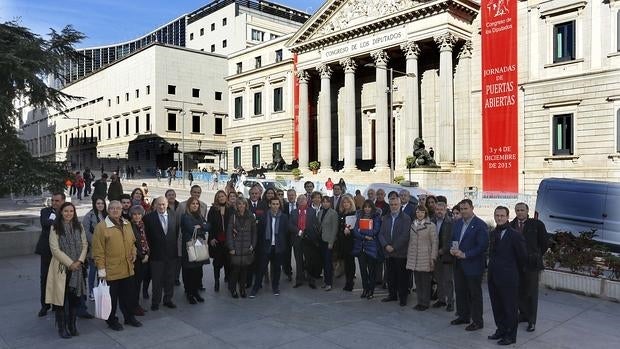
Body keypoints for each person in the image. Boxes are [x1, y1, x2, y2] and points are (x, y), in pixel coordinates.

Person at [92, 200, 142, 331]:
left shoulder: (127, 224)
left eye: (118, 208)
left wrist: (134, 253)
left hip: (127, 268)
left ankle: (129, 317)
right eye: (112, 208)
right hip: (111, 270)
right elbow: (98, 250)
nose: (115, 210)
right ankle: (111, 320)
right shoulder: (101, 227)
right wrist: (101, 270)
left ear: (121, 210)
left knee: (128, 296)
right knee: (112, 299)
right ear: (108, 210)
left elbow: (132, 243)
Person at [46, 202, 88, 338]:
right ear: (61, 212)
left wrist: (80, 261)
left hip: (77, 268)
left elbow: (85, 244)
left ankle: (72, 325)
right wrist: (71, 263)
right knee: (61, 300)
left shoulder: (79, 225)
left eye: (71, 211)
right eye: (66, 211)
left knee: (75, 299)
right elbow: (54, 249)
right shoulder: (55, 227)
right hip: (62, 268)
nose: (69, 214)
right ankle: (62, 327)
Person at [487, 206, 527, 346]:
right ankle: (501, 330)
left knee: (509, 308)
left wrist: (515, 275)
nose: (499, 218)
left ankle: (511, 335)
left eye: (502, 215)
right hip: (493, 277)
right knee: (497, 306)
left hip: (509, 279)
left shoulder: (515, 235)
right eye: (497, 215)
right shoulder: (492, 233)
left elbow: (522, 257)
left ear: (507, 217)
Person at [450, 199, 489, 331]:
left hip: (473, 265)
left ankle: (477, 321)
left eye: (466, 208)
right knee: (460, 291)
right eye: (461, 209)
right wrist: (452, 249)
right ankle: (463, 316)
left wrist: (465, 254)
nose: (463, 211)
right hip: (458, 264)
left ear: (472, 208)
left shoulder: (480, 225)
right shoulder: (457, 223)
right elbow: (454, 240)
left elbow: (482, 246)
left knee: (474, 294)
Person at [510, 202, 548, 332]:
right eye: (517, 210)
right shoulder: (511, 226)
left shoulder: (537, 224)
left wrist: (536, 255)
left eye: (522, 210)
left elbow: (544, 243)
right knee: (518, 292)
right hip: (516, 265)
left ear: (527, 211)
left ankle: (531, 321)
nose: (520, 212)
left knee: (531, 293)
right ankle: (524, 314)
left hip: (532, 264)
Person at [143, 197, 179, 311]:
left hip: (171, 254)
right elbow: (146, 236)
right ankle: (155, 301)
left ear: (167, 204)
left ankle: (168, 299)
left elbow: (176, 232)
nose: (161, 207)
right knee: (157, 280)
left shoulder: (174, 215)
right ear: (155, 205)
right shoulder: (148, 218)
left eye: (163, 204)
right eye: (159, 204)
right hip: (156, 255)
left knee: (170, 279)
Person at [250, 196, 289, 297]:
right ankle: (256, 287)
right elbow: (259, 232)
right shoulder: (263, 217)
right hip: (265, 246)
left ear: (279, 205)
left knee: (277, 268)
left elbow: (285, 232)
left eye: (277, 204)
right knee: (261, 268)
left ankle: (275, 287)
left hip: (278, 247)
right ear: (269, 205)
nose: (275, 206)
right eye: (273, 204)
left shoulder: (284, 217)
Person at [36, 192, 65, 317]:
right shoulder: (46, 211)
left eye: (57, 201)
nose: (54, 203)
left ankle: (57, 303)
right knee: (45, 278)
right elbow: (45, 223)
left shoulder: (67, 211)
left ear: (63, 201)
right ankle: (45, 305)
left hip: (62, 251)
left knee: (59, 278)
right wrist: (60, 220)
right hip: (47, 251)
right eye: (53, 200)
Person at [378, 197, 412, 306]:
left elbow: (405, 235)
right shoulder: (386, 218)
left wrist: (394, 247)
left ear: (400, 205)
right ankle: (392, 295)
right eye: (391, 204)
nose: (393, 206)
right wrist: (386, 245)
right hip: (388, 252)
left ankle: (403, 298)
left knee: (402, 277)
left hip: (401, 253)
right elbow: (381, 233)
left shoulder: (406, 218)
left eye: (395, 204)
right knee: (390, 275)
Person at [406, 205, 438, 311]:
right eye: (418, 212)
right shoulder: (412, 225)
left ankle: (425, 303)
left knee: (425, 282)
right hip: (414, 257)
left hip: (425, 257)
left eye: (422, 212)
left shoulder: (431, 225)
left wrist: (433, 257)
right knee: (418, 282)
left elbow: (435, 243)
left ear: (425, 213)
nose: (419, 214)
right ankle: (419, 301)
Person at [180, 197, 210, 304]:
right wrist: (201, 227)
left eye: (197, 204)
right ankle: (189, 293)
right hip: (190, 247)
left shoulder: (200, 216)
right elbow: (191, 229)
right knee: (190, 272)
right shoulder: (185, 217)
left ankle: (196, 292)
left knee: (197, 272)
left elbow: (208, 226)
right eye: (193, 203)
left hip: (200, 246)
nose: (195, 205)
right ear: (189, 205)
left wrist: (200, 226)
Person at [227, 198, 257, 298]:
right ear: (236, 205)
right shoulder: (233, 216)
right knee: (235, 270)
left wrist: (253, 245)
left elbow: (254, 232)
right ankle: (233, 289)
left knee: (244, 270)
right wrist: (231, 247)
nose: (241, 206)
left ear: (246, 205)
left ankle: (242, 289)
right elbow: (229, 233)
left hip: (247, 247)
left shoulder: (251, 216)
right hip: (236, 247)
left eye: (243, 204)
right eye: (239, 204)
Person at [352, 200, 382, 299]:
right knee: (363, 270)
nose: (367, 209)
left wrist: (362, 231)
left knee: (371, 270)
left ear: (372, 208)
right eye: (365, 207)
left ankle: (371, 291)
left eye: (369, 207)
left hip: (372, 248)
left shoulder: (376, 217)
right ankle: (365, 289)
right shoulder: (359, 216)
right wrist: (364, 236)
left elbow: (375, 231)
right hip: (361, 247)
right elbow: (355, 231)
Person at [82, 198, 107, 301]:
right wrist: (96, 243)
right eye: (98, 203)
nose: (100, 205)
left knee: (102, 271)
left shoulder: (107, 215)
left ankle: (101, 290)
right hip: (94, 248)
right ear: (94, 204)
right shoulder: (89, 215)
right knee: (93, 270)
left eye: (102, 203)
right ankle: (92, 291)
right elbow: (86, 231)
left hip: (106, 247)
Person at [432, 202, 455, 311]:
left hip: (447, 256)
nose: (439, 211)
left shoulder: (451, 222)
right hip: (435, 255)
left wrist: (443, 250)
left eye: (441, 209)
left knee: (448, 280)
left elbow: (452, 239)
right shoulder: (432, 221)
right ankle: (441, 300)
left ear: (445, 210)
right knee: (438, 278)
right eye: (437, 209)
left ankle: (450, 302)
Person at [207, 190, 232, 292]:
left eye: (223, 196)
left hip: (228, 240)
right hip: (217, 240)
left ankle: (228, 278)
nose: (221, 198)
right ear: (216, 198)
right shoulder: (213, 209)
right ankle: (216, 281)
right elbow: (209, 225)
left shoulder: (230, 208)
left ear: (226, 197)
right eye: (219, 197)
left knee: (228, 261)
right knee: (217, 263)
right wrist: (211, 237)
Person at [129, 205, 149, 316]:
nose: (137, 216)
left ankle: (136, 305)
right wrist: (142, 256)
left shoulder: (142, 225)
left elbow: (146, 240)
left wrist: (148, 254)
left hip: (145, 257)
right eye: (135, 214)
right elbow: (132, 244)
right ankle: (134, 306)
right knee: (135, 285)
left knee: (139, 283)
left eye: (139, 214)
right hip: (137, 258)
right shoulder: (130, 227)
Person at [318, 196, 339, 291]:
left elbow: (335, 229)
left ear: (330, 203)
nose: (325, 203)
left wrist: (331, 242)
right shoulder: (320, 212)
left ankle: (329, 283)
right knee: (323, 262)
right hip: (321, 240)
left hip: (328, 241)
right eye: (323, 202)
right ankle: (325, 281)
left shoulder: (333, 213)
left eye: (327, 202)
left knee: (328, 263)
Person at [288, 194, 309, 288]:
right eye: (300, 200)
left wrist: (307, 232)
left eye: (304, 199)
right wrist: (299, 231)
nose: (302, 201)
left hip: (308, 239)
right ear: (297, 201)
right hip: (297, 238)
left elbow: (313, 224)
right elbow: (290, 225)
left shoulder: (311, 211)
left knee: (309, 260)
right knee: (298, 260)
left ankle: (310, 279)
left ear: (307, 201)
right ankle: (299, 279)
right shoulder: (293, 212)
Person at [338, 195, 357, 291]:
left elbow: (356, 229)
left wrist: (351, 232)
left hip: (350, 242)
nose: (345, 204)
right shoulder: (341, 213)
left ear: (351, 203)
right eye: (344, 202)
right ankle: (347, 280)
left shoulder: (354, 214)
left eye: (347, 202)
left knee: (350, 262)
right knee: (346, 262)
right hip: (342, 241)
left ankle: (350, 282)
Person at [281, 188, 297, 281]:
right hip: (286, 234)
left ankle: (301, 273)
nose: (291, 196)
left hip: (297, 234)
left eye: (292, 195)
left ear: (295, 196)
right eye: (289, 195)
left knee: (298, 254)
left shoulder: (299, 206)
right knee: (286, 254)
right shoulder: (284, 206)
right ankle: (288, 272)